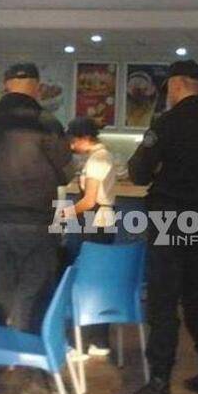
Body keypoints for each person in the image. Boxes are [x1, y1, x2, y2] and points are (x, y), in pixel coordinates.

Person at [118, 60, 198, 394]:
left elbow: (138, 173)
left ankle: (159, 384)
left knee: (163, 300)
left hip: (168, 219)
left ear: (177, 85)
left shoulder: (165, 124)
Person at [0, 63, 73, 394]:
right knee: (35, 293)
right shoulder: (47, 120)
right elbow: (65, 171)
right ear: (37, 86)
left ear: (7, 85)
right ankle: (33, 374)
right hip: (37, 222)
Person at [64, 116, 117, 356]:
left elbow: (88, 201)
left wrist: (62, 216)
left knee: (84, 281)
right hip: (102, 222)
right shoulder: (103, 156)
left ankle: (81, 344)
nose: (72, 146)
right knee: (99, 280)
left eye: (74, 141)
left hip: (94, 222)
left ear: (85, 138)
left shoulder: (97, 160)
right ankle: (99, 341)